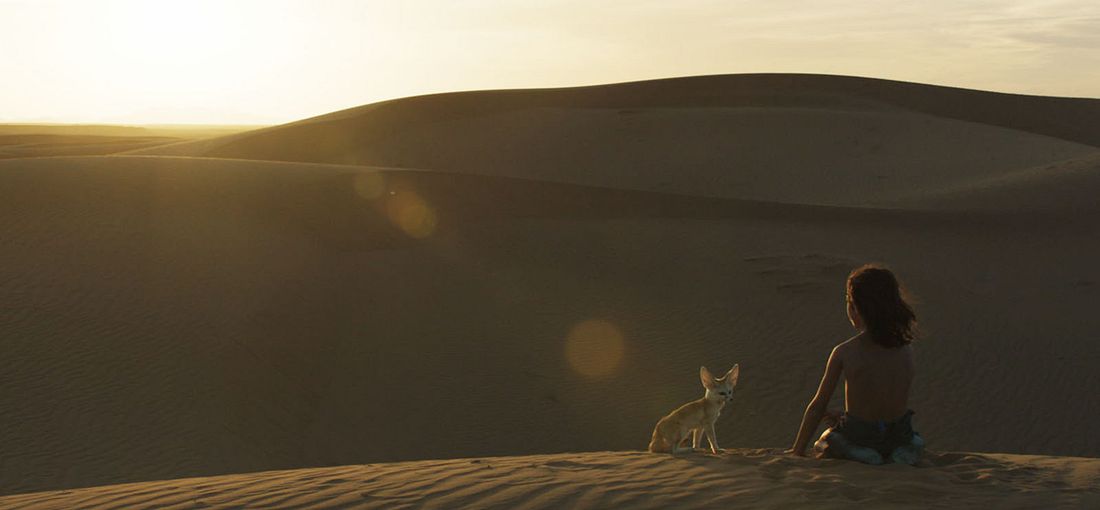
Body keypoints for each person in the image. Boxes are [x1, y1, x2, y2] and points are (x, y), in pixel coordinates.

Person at [788, 264, 923, 465]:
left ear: (856, 308)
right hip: (899, 434)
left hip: (862, 436)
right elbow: (884, 400)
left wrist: (797, 451)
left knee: (825, 440)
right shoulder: (906, 350)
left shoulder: (845, 352)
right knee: (902, 437)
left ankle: (862, 453)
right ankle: (903, 450)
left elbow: (818, 406)